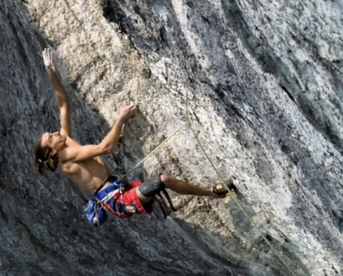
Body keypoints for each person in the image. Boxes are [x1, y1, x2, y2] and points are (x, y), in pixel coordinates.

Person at [33, 48, 231, 226]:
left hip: (119, 190)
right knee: (162, 180)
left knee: (162, 181)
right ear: (52, 151)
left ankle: (212, 192)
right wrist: (120, 119)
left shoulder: (64, 144)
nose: (56, 133)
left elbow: (63, 104)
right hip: (117, 200)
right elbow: (104, 149)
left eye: (52, 132)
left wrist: (51, 71)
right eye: (51, 137)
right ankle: (212, 192)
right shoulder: (65, 158)